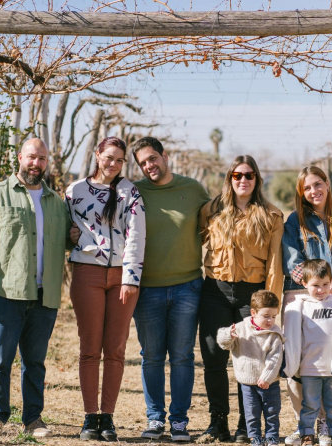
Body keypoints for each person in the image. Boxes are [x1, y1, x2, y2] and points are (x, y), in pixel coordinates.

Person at [0, 138, 70, 438]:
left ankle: (33, 419)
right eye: (32, 157)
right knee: (0, 360)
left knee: (34, 362)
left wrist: (74, 234)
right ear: (20, 157)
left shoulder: (57, 203)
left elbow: (66, 241)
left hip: (44, 295)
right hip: (3, 293)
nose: (36, 164)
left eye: (42, 159)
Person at [198, 155, 284, 443]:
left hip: (252, 295)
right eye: (237, 175)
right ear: (229, 178)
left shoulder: (271, 216)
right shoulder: (211, 210)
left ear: (256, 179)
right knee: (214, 359)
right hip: (215, 291)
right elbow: (191, 244)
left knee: (251, 361)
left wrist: (270, 306)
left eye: (249, 175)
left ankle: (246, 426)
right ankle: (217, 422)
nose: (243, 180)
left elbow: (274, 263)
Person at [65, 136, 146, 441]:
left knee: (115, 349)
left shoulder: (130, 192)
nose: (112, 164)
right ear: (97, 154)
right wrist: (71, 237)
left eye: (119, 160)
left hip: (122, 278)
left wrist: (131, 278)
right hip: (87, 274)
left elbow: (137, 236)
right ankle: (89, 418)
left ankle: (108, 418)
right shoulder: (74, 191)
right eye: (108, 157)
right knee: (89, 348)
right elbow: (63, 230)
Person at [131, 136, 211, 442]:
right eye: (143, 163)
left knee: (181, 356)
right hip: (147, 288)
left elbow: (213, 225)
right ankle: (155, 419)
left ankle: (179, 421)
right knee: (151, 356)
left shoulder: (192, 189)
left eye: (153, 158)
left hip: (187, 287)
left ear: (165, 156)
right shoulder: (135, 191)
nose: (149, 166)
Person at [281, 166, 332, 446]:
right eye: (307, 188)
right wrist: (316, 283)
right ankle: (304, 425)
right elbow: (292, 262)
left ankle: (326, 423)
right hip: (300, 296)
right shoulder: (295, 222)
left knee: (328, 363)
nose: (314, 191)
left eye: (318, 184)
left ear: (327, 183)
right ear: (301, 193)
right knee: (297, 361)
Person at [283, 259, 332, 446]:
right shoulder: (299, 307)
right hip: (309, 368)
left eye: (326, 284)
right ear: (304, 283)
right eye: (315, 285)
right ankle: (306, 434)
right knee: (310, 404)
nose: (321, 290)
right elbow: (292, 338)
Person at [217, 290, 285, 446]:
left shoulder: (274, 334)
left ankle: (272, 436)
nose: (270, 320)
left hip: (270, 383)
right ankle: (255, 437)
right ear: (253, 313)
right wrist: (229, 335)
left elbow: (275, 358)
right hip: (247, 383)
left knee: (272, 412)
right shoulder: (241, 328)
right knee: (251, 413)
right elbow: (223, 343)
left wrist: (267, 378)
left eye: (274, 316)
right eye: (266, 316)